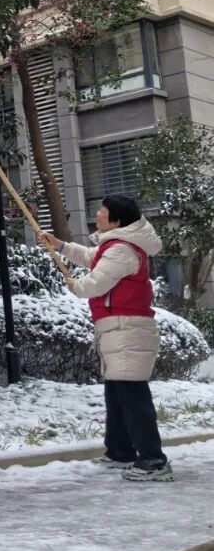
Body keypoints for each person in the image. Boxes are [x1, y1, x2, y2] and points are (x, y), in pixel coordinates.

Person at [37, 194, 172, 482]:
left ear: (116, 221)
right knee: (117, 392)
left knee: (133, 396)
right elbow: (91, 257)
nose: (97, 214)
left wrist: (76, 286)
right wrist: (60, 245)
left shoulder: (122, 250)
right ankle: (120, 450)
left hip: (127, 329)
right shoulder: (116, 245)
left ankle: (153, 460)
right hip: (118, 328)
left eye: (103, 210)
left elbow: (95, 284)